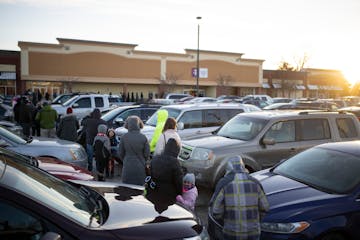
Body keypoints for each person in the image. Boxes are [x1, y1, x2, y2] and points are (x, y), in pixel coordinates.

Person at [210, 156, 269, 240]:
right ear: (243, 167)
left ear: (228, 168)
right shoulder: (255, 183)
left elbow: (215, 211)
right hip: (253, 232)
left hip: (231, 232)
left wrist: (226, 221)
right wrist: (256, 220)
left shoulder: (224, 183)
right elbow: (265, 208)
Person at [119, 115, 150, 186]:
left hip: (127, 165)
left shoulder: (124, 137)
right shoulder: (143, 137)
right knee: (139, 190)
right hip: (140, 166)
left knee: (127, 188)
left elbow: (120, 153)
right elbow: (147, 154)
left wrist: (125, 159)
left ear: (128, 124)